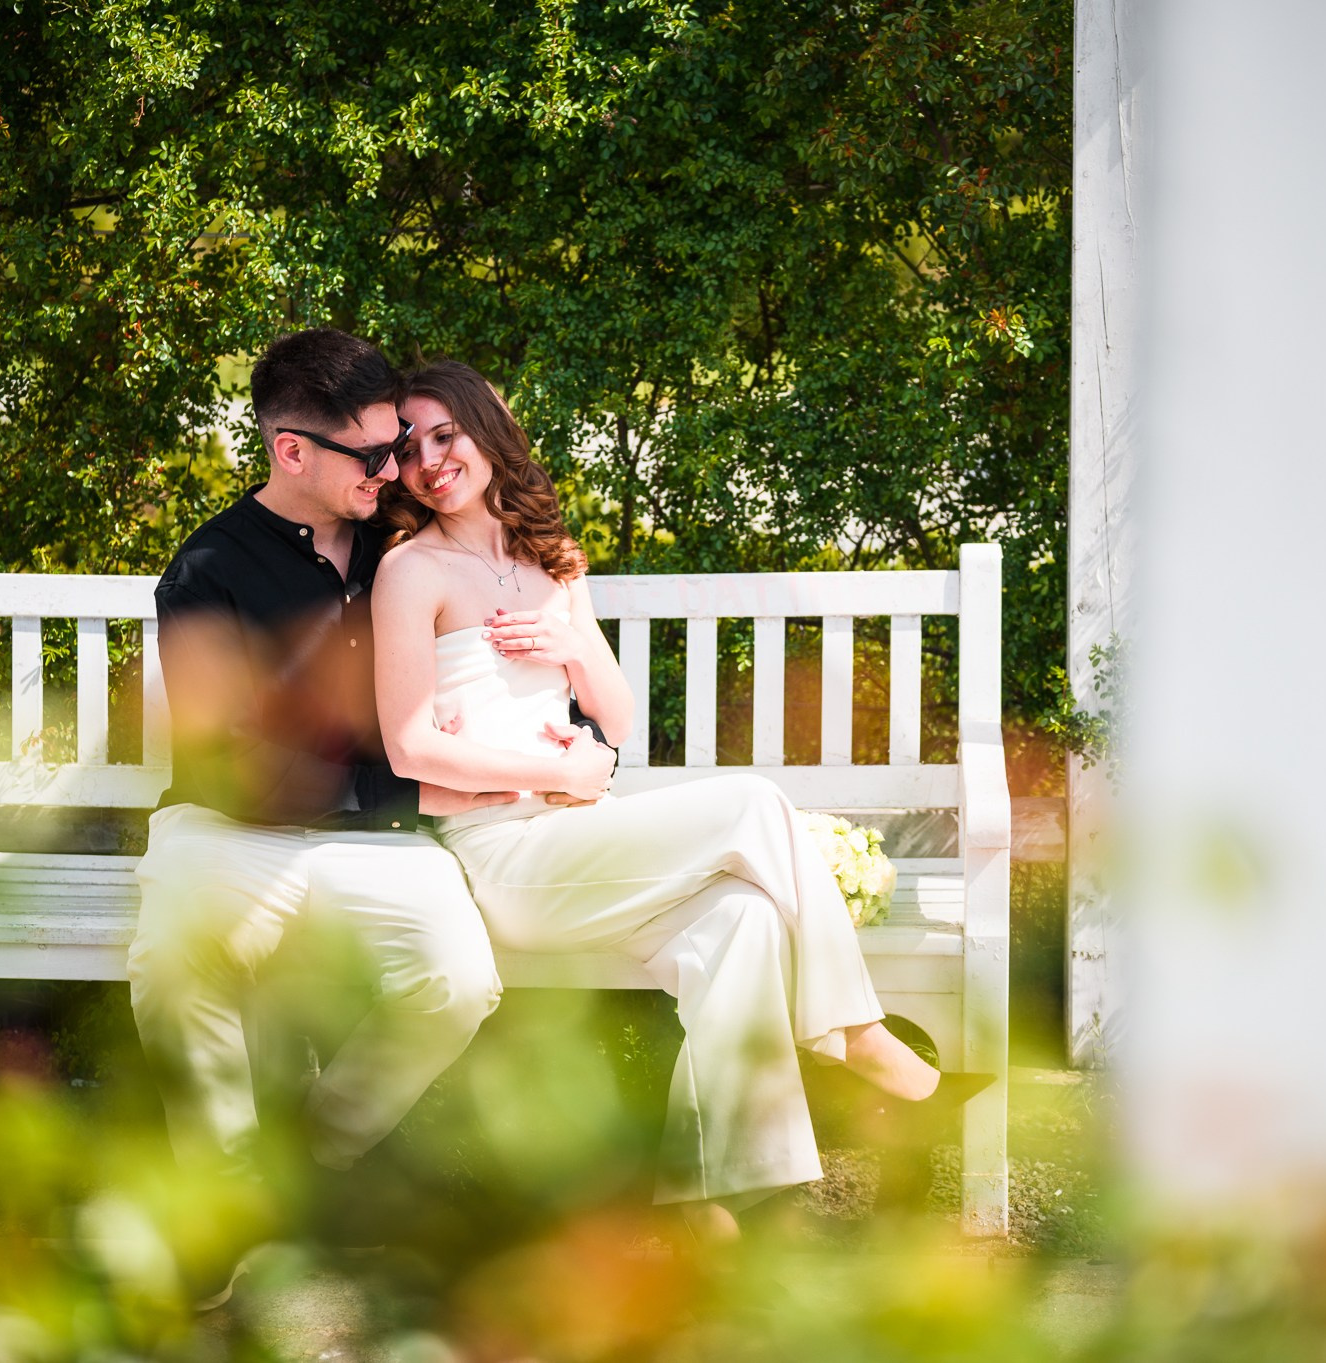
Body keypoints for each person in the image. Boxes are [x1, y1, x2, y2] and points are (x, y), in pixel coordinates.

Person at [369, 361, 973, 1237]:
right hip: (502, 853)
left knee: (743, 923)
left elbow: (615, 714)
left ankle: (725, 1203)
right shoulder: (410, 572)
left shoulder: (551, 557)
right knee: (753, 804)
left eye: (443, 433)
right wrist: (556, 773)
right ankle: (862, 1041)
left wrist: (571, 644)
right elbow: (409, 744)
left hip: (585, 839)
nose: (428, 460)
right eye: (408, 447)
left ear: (485, 426)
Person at [126, 331, 594, 1289]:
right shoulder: (208, 570)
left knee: (458, 980)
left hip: (378, 838)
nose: (396, 471)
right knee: (171, 958)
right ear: (293, 450)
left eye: (396, 449)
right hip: (229, 830)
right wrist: (429, 781)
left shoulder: (400, 548)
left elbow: (509, 635)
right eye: (374, 455)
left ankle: (306, 1160)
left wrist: (556, 724)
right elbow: (234, 767)